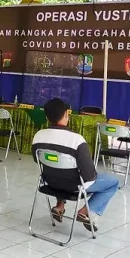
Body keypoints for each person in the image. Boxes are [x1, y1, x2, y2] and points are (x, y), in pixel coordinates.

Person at [32, 98, 118, 231]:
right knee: (113, 182)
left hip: (50, 182)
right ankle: (84, 212)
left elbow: (37, 160)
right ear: (66, 114)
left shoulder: (38, 136)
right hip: (74, 187)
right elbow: (89, 176)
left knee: (59, 171)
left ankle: (59, 206)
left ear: (47, 117)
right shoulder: (76, 140)